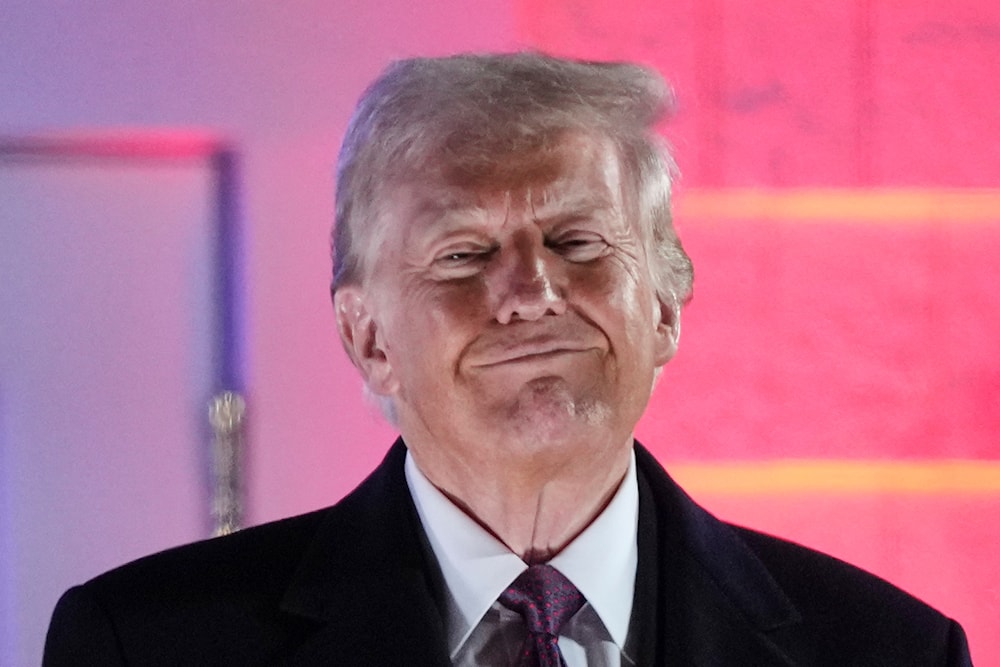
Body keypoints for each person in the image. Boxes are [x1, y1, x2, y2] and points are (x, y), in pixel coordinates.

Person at [44, 52, 972, 666]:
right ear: (368, 338)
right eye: (464, 254)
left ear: (663, 305)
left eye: (576, 241)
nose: (530, 289)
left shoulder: (892, 650)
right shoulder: (145, 642)